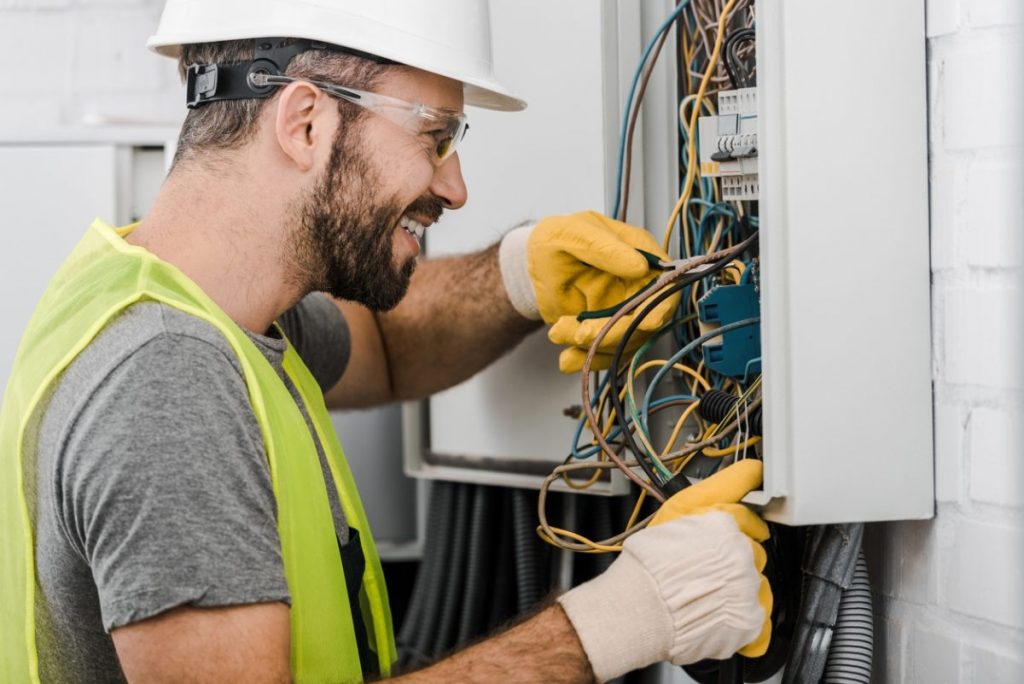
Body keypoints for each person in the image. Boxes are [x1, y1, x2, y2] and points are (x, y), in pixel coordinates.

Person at [0, 1, 771, 682]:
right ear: (305, 122)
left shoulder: (181, 300)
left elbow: (389, 348)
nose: (455, 186)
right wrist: (626, 618)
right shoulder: (168, 380)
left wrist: (517, 275)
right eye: (434, 135)